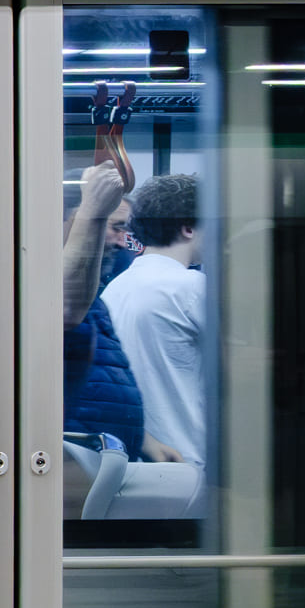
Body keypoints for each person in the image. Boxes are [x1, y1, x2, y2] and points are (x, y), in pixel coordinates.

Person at [61, 162, 182, 465]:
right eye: (111, 227)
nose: (120, 240)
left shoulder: (96, 295)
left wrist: (143, 440)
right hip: (68, 459)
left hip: (102, 458)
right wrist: (94, 210)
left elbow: (98, 377)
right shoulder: (36, 279)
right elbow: (63, 310)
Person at [101, 172, 206, 469]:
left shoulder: (116, 287)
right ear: (188, 229)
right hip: (185, 458)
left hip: (133, 459)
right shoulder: (191, 287)